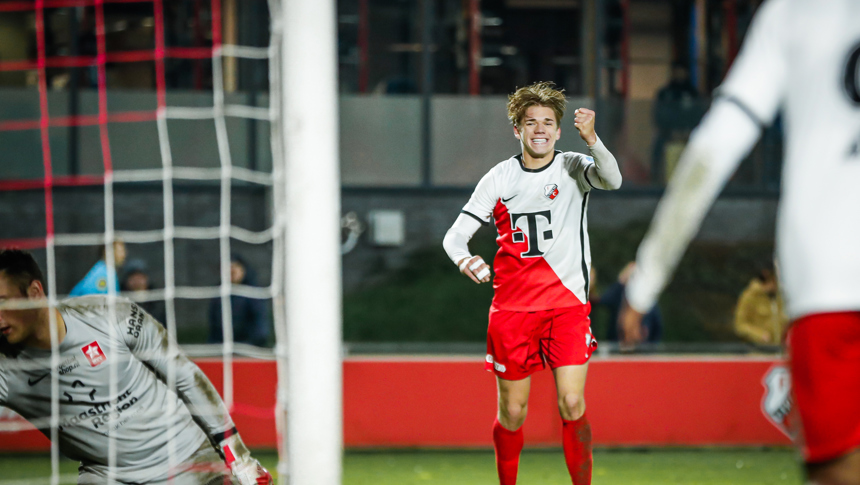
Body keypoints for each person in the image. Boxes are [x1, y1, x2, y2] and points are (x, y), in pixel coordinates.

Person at [619, 1, 860, 482]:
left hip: (830, 276)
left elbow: (713, 149)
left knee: (840, 469)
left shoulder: (793, 12)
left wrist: (646, 278)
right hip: (828, 282)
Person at [443, 81, 621, 485]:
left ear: (558, 130)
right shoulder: (499, 177)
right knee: (513, 412)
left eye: (547, 122)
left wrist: (593, 139)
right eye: (530, 122)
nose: (539, 129)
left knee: (572, 401)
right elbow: (454, 237)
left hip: (567, 306)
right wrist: (466, 259)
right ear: (517, 130)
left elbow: (613, 180)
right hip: (513, 310)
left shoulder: (574, 166)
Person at [0, 249, 271, 484]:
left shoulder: (107, 314)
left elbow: (185, 376)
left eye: (2, 302)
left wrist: (239, 457)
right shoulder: (5, 370)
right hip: (109, 476)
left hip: (188, 457)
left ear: (34, 293)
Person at [208, 255, 269, 347]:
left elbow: (260, 328)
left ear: (243, 269)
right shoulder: (219, 294)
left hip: (249, 346)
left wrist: (249, 345)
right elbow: (214, 327)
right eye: (227, 268)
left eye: (235, 267)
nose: (231, 271)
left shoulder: (253, 293)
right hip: (223, 346)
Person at [595, 262, 662, 343]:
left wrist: (652, 346)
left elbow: (657, 326)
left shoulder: (648, 299)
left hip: (642, 346)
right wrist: (620, 283)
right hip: (617, 344)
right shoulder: (618, 292)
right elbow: (601, 301)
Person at [733, 263, 788, 345]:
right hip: (759, 349)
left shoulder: (780, 296)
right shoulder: (750, 296)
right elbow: (740, 325)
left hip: (781, 348)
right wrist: (759, 335)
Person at [121, 259, 167, 326]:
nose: (137, 281)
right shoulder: (119, 300)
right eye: (133, 277)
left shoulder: (157, 302)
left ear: (146, 278)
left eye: (140, 277)